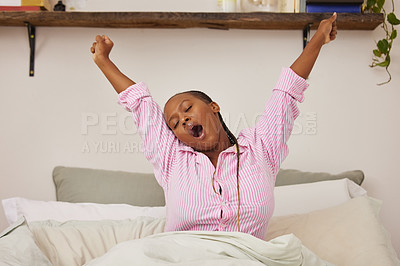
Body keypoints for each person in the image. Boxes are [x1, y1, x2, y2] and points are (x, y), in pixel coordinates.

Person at [90, 13, 337, 240]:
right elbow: (141, 103)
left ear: (214, 107)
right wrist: (103, 61)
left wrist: (318, 37)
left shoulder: (261, 148)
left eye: (187, 109)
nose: (183, 120)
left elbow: (285, 94)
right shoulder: (172, 159)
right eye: (174, 123)